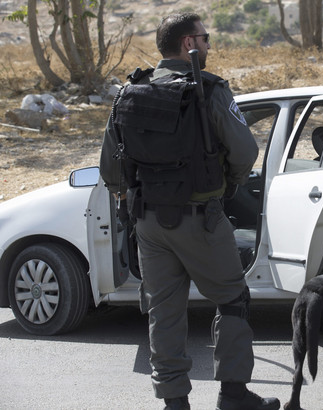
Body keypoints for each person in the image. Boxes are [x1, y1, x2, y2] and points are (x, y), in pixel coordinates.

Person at [99, 13, 280, 410]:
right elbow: (246, 152)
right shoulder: (209, 88)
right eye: (206, 38)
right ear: (188, 44)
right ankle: (233, 394)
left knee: (164, 312)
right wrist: (229, 186)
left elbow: (111, 167)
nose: (210, 45)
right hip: (200, 216)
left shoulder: (130, 91)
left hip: (148, 221)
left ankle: (174, 402)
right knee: (232, 299)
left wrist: (127, 200)